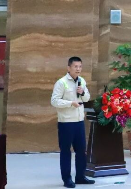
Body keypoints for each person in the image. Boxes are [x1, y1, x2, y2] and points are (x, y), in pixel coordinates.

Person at [51, 57, 95, 187]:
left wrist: (83, 92)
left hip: (79, 122)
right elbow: (54, 101)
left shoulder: (82, 81)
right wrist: (70, 103)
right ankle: (67, 179)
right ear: (68, 68)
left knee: (81, 151)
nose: (78, 69)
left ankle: (80, 176)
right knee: (66, 151)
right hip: (66, 122)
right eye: (75, 66)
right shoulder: (61, 83)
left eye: (80, 66)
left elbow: (87, 98)